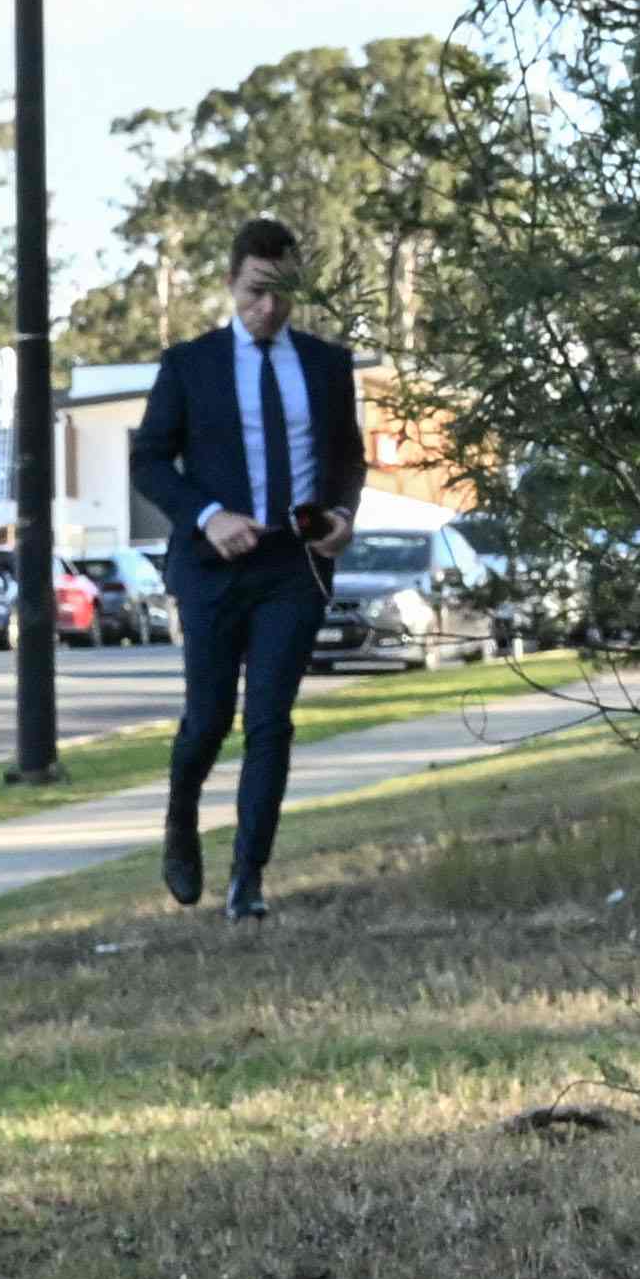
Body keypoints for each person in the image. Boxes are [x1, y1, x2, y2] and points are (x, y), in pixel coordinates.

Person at [127, 216, 367, 922]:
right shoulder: (189, 365)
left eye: (284, 293)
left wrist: (342, 517)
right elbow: (148, 460)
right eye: (258, 292)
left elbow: (349, 457)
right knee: (208, 718)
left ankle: (248, 880)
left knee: (270, 720)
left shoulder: (327, 364)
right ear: (232, 282)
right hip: (212, 567)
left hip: (294, 568)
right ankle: (180, 822)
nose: (270, 307)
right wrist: (208, 515)